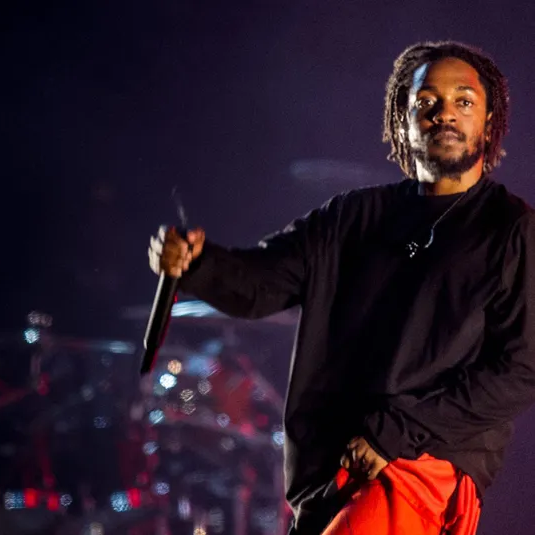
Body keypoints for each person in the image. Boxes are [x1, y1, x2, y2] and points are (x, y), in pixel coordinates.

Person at [148, 41, 534, 535]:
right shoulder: (351, 217)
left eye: (464, 101)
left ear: (489, 120)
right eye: (426, 102)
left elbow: (522, 368)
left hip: (417, 465)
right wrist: (196, 263)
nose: (445, 114)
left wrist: (397, 431)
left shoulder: (512, 229)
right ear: (401, 120)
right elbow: (260, 284)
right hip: (330, 467)